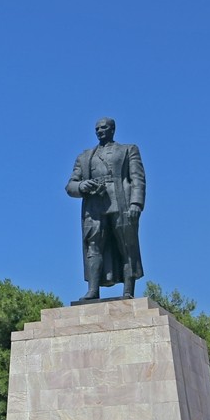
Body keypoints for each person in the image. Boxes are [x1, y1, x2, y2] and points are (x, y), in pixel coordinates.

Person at [65, 117, 146, 300]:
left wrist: (136, 203)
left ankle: (128, 290)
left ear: (112, 129)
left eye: (103, 128)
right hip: (94, 206)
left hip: (121, 201)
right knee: (93, 246)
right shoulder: (85, 156)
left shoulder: (128, 150)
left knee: (126, 245)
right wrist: (82, 186)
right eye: (97, 129)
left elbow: (138, 179)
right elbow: (70, 185)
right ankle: (93, 290)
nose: (100, 131)